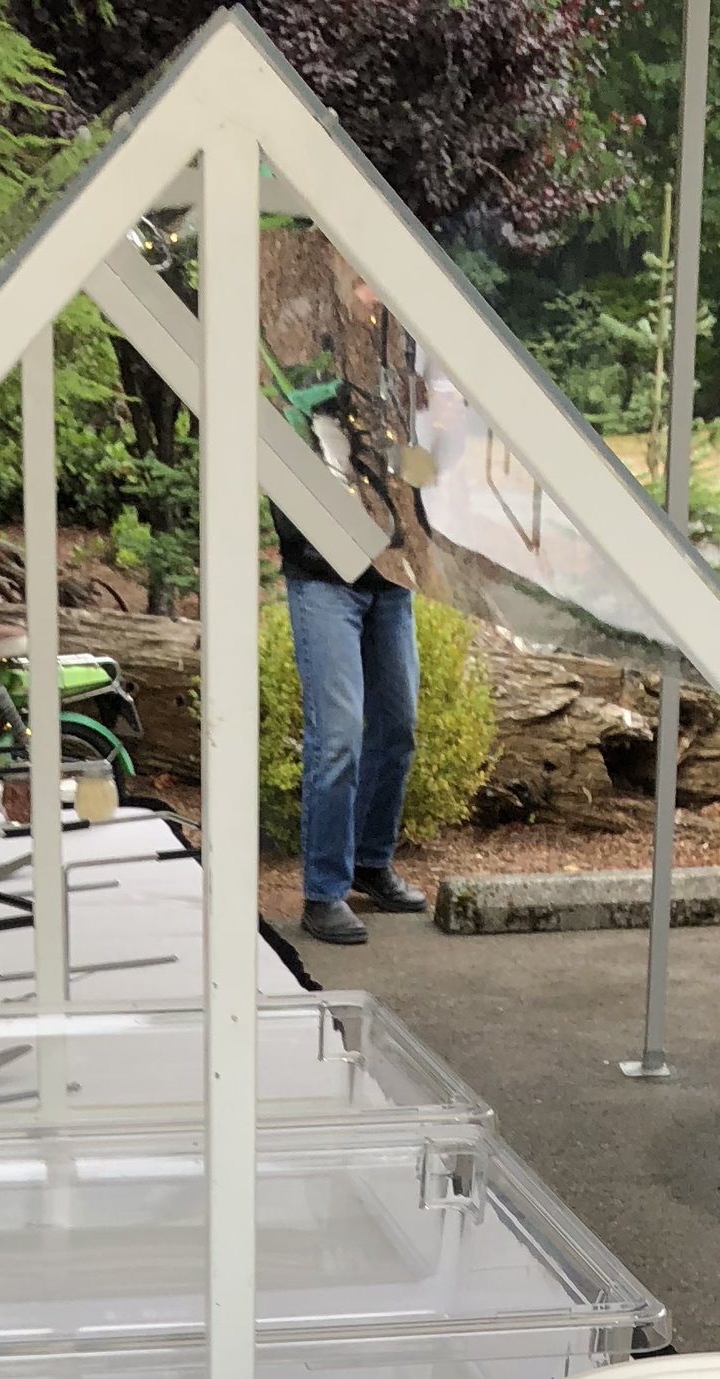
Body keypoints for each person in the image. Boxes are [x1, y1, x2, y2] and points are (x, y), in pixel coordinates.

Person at [272, 271, 428, 950]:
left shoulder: (403, 364)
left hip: (389, 574)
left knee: (398, 724)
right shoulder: (301, 350)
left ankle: (370, 862)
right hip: (322, 575)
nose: (377, 295)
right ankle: (324, 891)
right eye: (365, 281)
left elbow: (420, 467)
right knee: (337, 734)